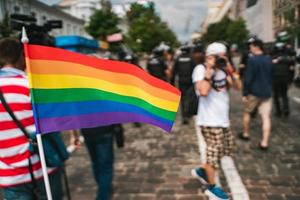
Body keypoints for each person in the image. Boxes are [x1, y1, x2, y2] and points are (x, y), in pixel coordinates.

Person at [0, 38, 63, 200]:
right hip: (43, 168)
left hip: (9, 176)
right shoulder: (32, 86)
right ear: (22, 56)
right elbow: (53, 124)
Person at [191, 42, 237, 200]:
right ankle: (212, 188)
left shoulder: (224, 70)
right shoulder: (201, 70)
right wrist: (209, 71)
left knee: (224, 151)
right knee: (212, 154)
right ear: (209, 56)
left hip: (223, 120)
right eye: (218, 57)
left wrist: (231, 71)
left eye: (223, 56)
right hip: (209, 121)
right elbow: (203, 91)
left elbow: (238, 87)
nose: (221, 59)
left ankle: (202, 171)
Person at [241, 38, 273, 150]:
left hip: (254, 92)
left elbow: (248, 78)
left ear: (256, 47)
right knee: (266, 117)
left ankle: (245, 133)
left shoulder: (252, 60)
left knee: (247, 113)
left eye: (251, 46)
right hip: (266, 92)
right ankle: (264, 142)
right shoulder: (269, 59)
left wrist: (245, 93)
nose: (250, 48)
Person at [81, 125, 116, 200]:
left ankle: (104, 187)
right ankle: (103, 194)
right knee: (106, 167)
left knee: (95, 162)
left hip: (87, 131)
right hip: (104, 130)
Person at [171, 45, 195, 124]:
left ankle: (184, 116)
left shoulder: (178, 59)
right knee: (190, 98)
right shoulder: (191, 58)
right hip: (190, 81)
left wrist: (172, 84)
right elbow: (196, 70)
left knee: (183, 99)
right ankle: (188, 114)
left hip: (181, 81)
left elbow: (173, 72)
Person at [271, 43, 295, 117]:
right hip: (285, 78)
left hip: (275, 78)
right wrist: (290, 80)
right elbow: (292, 70)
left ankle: (278, 111)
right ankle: (286, 110)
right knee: (284, 94)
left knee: (275, 95)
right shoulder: (289, 59)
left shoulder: (272, 58)